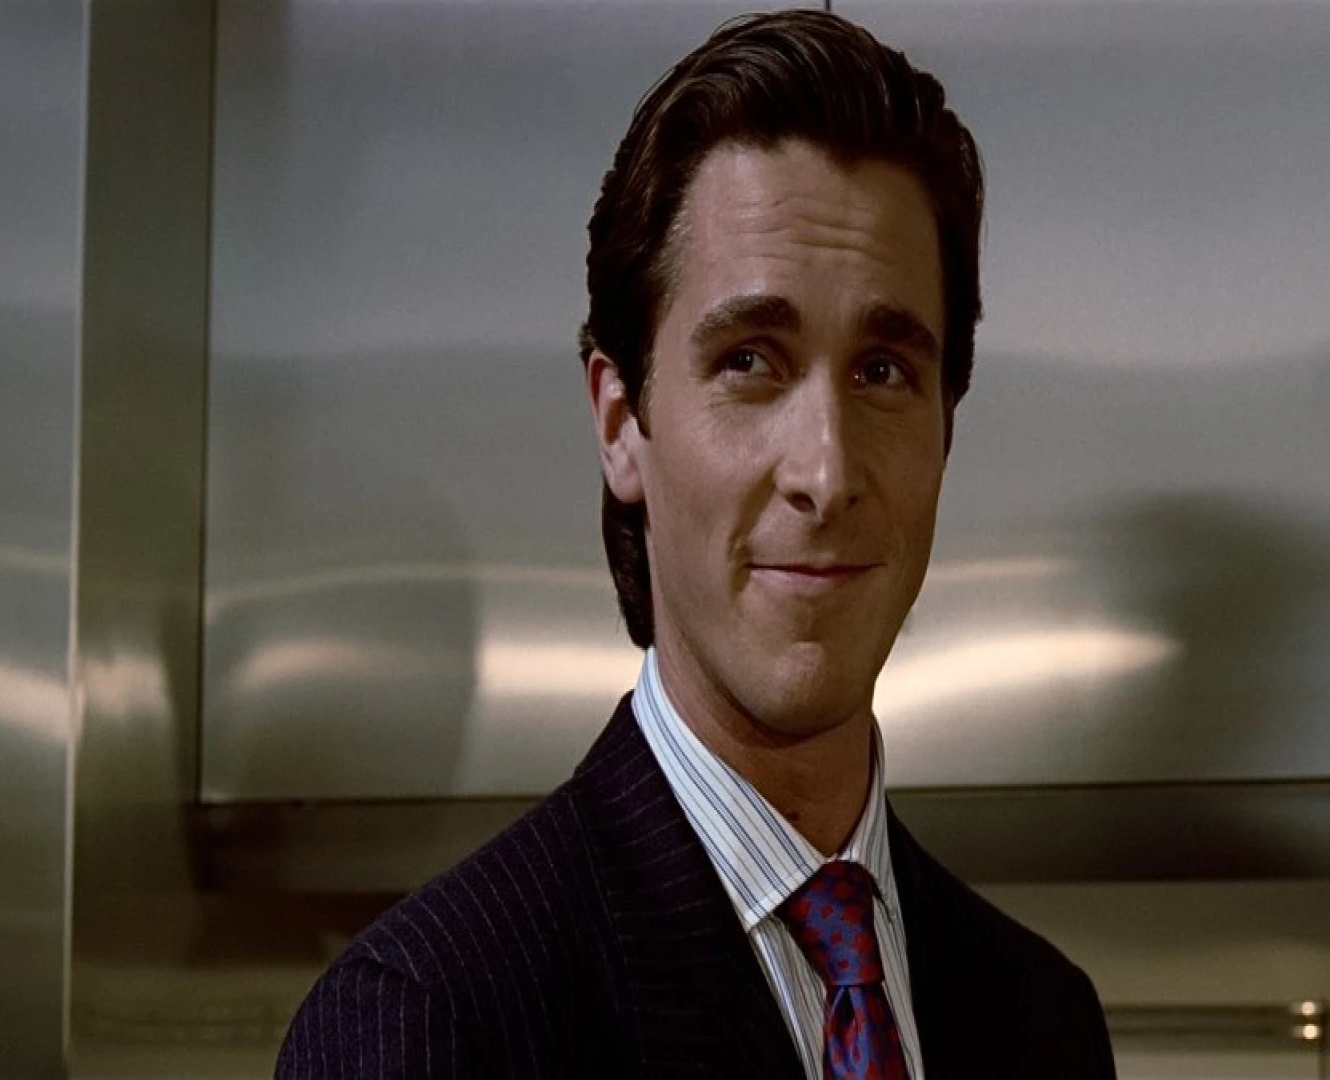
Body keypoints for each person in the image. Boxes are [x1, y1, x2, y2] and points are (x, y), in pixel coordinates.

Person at [276, 10, 1116, 1078]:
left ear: (946, 427)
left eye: (883, 372)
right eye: (751, 361)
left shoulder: (1042, 1019)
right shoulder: (426, 1022)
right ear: (621, 423)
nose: (827, 472)